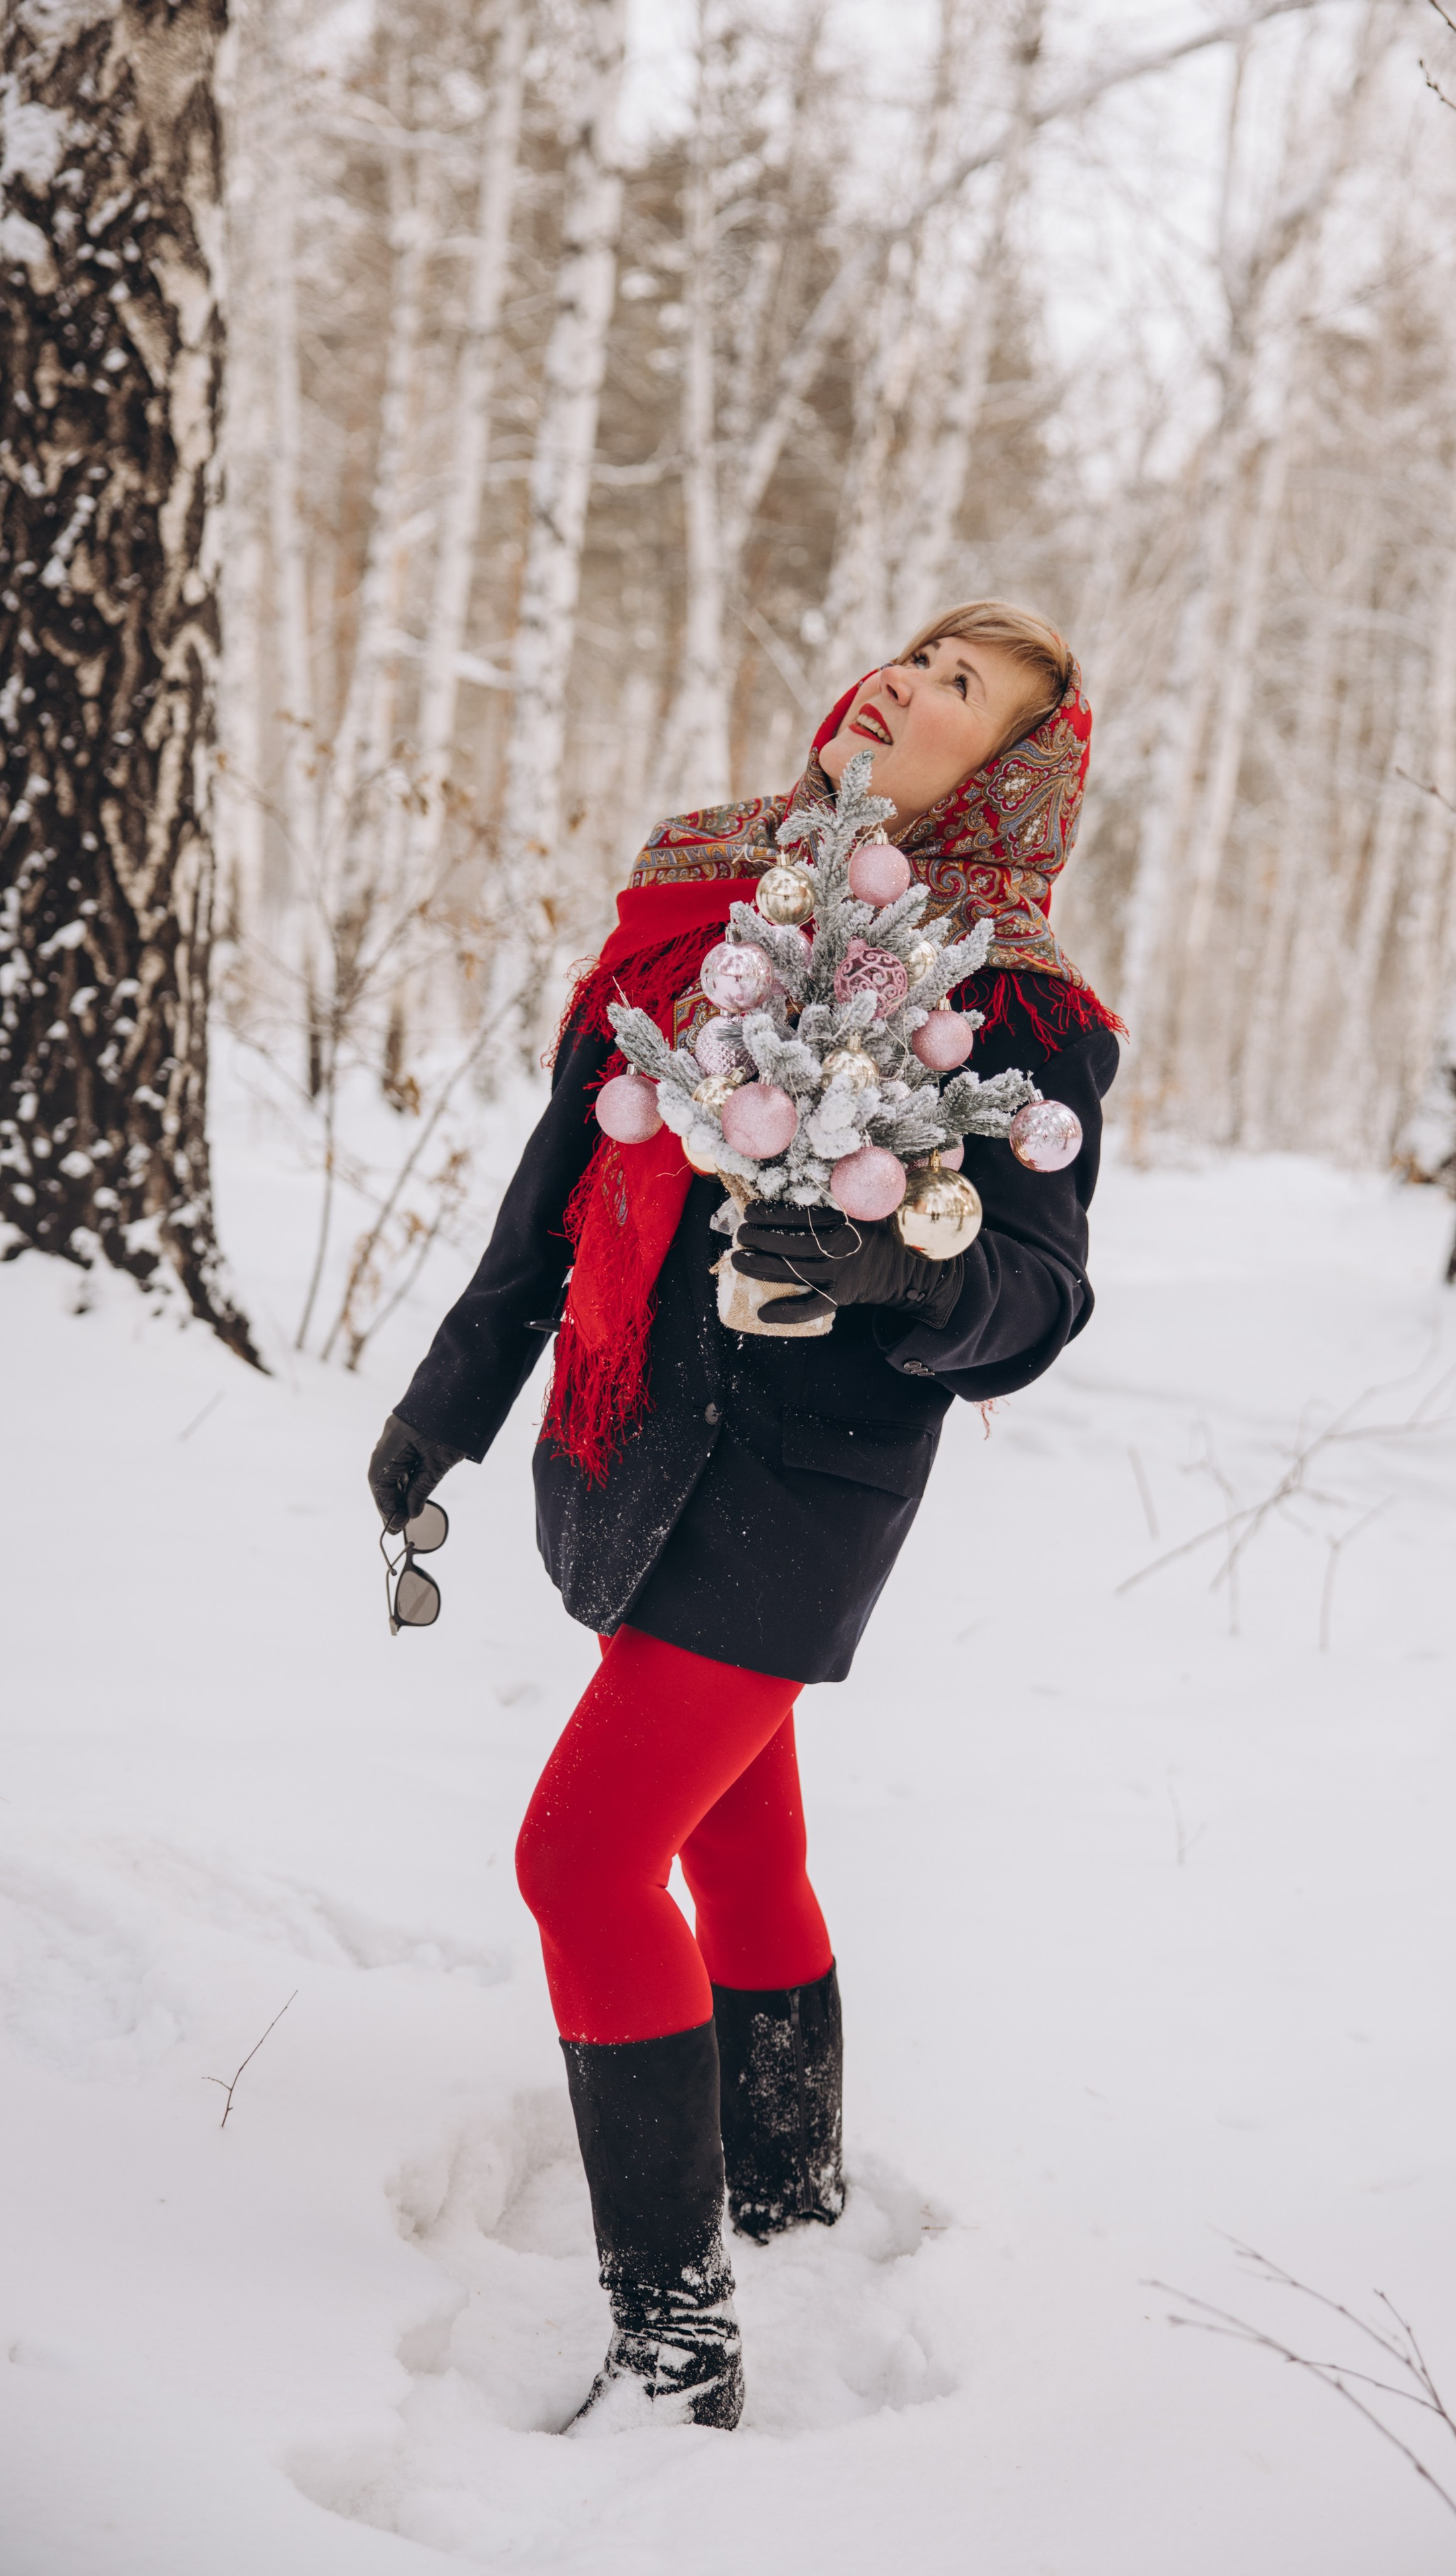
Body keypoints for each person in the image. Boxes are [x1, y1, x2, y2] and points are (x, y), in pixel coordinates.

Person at [368, 599, 1123, 2432]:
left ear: (1006, 769)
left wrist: (887, 1265)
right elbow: (565, 1179)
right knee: (735, 1851)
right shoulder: (703, 890)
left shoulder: (1015, 1000)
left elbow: (1039, 1299)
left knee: (583, 1862)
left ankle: (678, 2339)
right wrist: (447, 1403)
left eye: (962, 691)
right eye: (918, 653)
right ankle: (787, 2189)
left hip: (812, 1483)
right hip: (636, 1433)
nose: (908, 685)